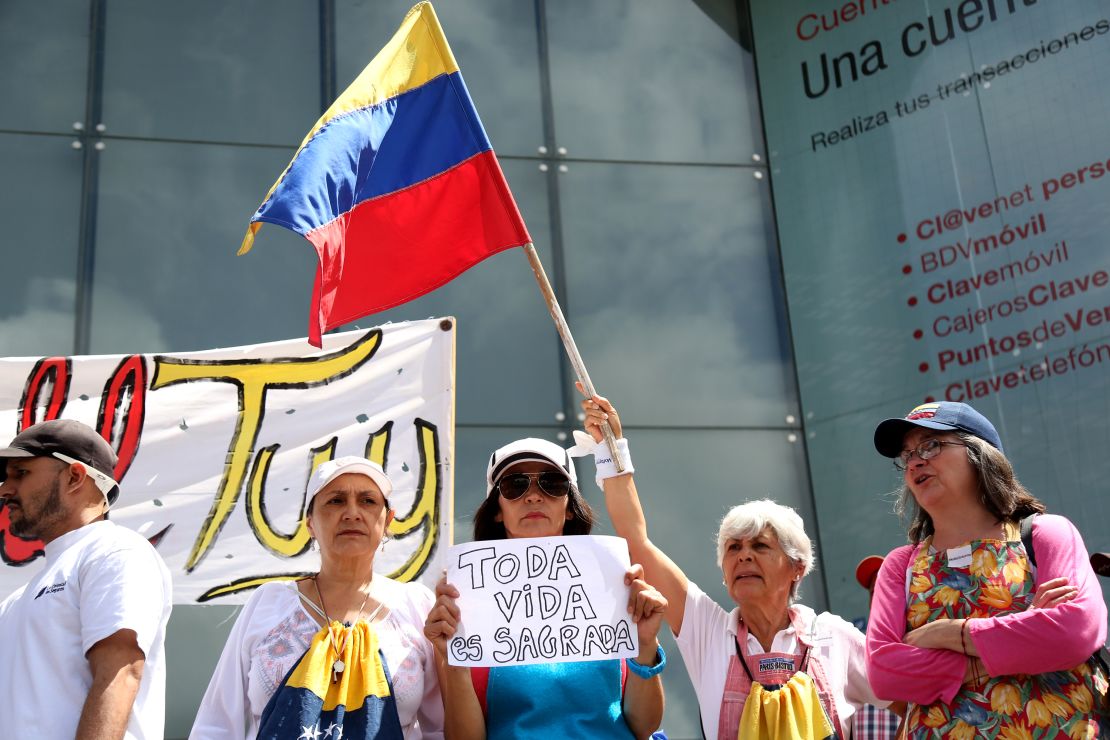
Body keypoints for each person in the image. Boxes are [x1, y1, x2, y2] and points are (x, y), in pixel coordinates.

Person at [578, 391, 886, 739]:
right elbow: (637, 541)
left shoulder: (832, 635)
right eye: (733, 548)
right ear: (724, 571)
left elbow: (907, 697)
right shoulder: (707, 630)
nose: (744, 556)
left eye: (760, 546)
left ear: (797, 567)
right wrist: (611, 450)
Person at [867, 401, 1108, 738]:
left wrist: (950, 634)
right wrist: (1023, 633)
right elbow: (884, 673)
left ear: (979, 454)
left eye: (931, 445)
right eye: (907, 455)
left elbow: (1074, 631)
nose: (916, 461)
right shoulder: (900, 565)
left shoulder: (1043, 534)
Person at [422, 437, 667, 739]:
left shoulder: (613, 586)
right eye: (515, 485)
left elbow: (645, 725)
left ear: (570, 508)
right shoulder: (465, 603)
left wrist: (645, 645)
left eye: (552, 484)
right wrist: (455, 662)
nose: (534, 497)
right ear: (496, 509)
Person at [190, 456, 443, 739]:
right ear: (310, 523)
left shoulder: (415, 606)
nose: (352, 513)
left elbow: (441, 728)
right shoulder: (269, 603)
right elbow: (218, 723)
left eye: (368, 501)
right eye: (335, 501)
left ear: (388, 521)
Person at [0, 418, 173, 739]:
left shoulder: (115, 550)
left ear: (75, 476)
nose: (5, 490)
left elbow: (121, 672)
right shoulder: (15, 602)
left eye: (20, 473)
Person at [852, 556, 904, 740]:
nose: (878, 598)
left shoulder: (925, 650)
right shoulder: (855, 652)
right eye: (874, 592)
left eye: (886, 588)